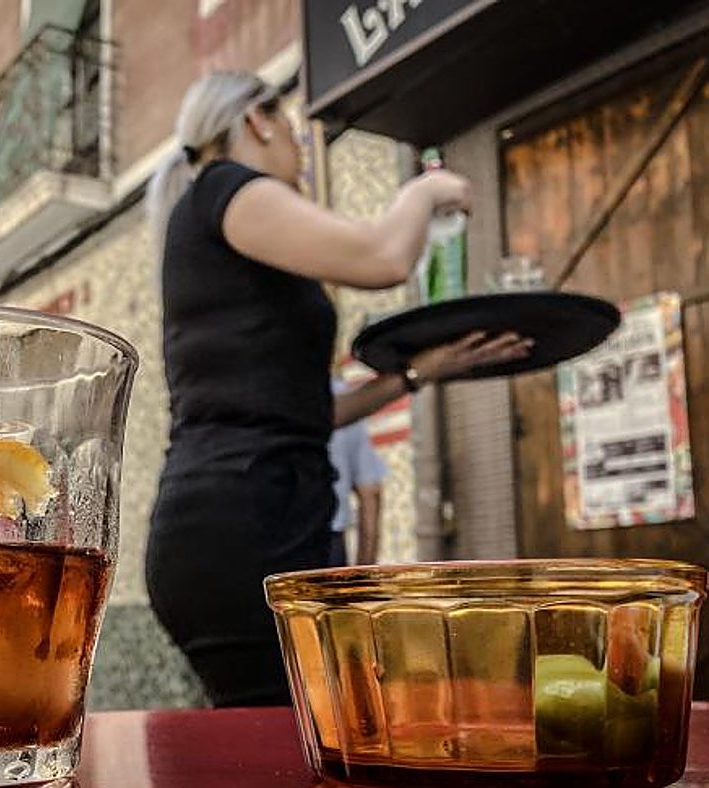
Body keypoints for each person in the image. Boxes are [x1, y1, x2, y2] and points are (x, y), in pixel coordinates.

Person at [143, 71, 533, 708]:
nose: (300, 145)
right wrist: (427, 186)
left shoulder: (213, 211)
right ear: (257, 122)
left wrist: (416, 375)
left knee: (279, 745)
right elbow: (382, 256)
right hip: (245, 527)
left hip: (244, 521)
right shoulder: (229, 188)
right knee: (287, 743)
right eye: (294, 127)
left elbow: (305, 412)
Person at [327, 379, 387, 567]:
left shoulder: (249, 392)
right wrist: (364, 576)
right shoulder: (343, 397)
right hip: (328, 545)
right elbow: (371, 491)